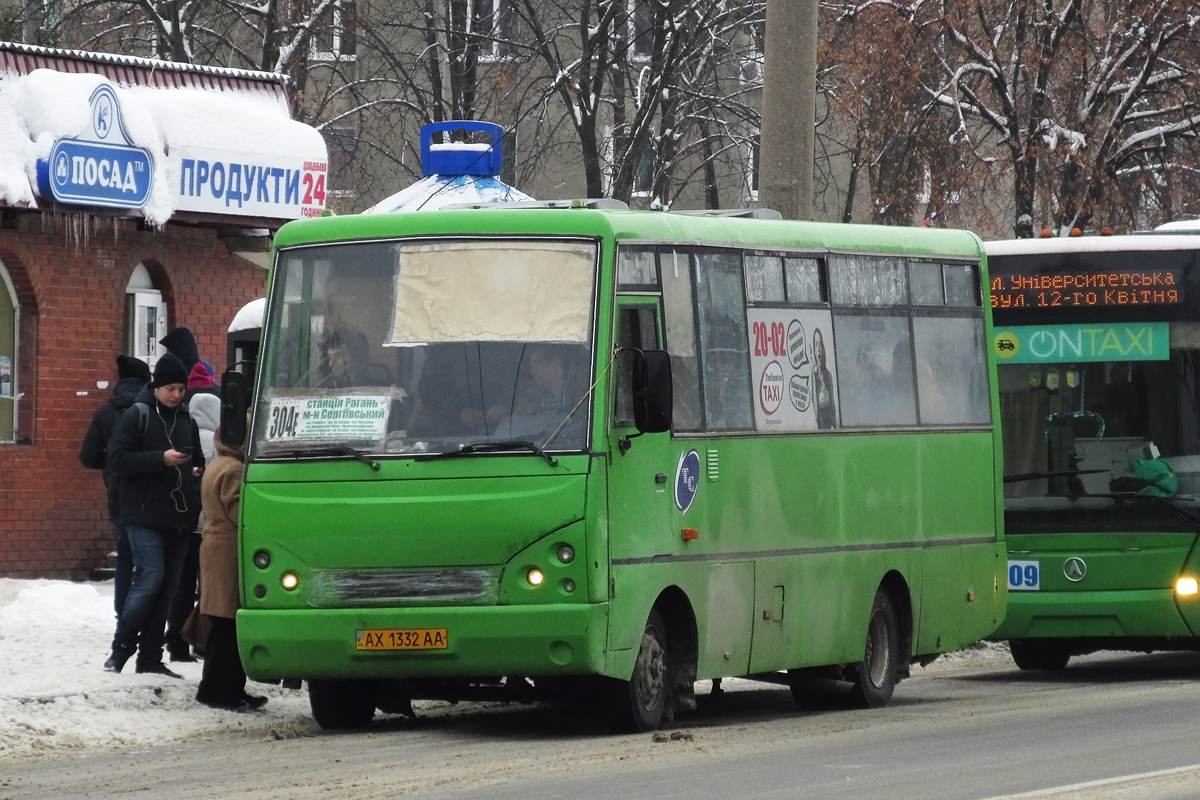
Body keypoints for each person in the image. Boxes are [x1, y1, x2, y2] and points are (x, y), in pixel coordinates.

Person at [103, 352, 204, 678]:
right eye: (170, 388)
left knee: (167, 589)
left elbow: (197, 460)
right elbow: (117, 460)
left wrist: (197, 470)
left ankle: (150, 658)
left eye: (180, 389)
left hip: (178, 518)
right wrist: (160, 459)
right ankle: (120, 651)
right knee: (149, 580)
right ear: (157, 386)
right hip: (143, 514)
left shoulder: (187, 420)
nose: (176, 394)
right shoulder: (137, 415)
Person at [195, 423, 267, 711]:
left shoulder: (218, 462)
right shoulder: (234, 469)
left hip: (214, 550)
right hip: (228, 554)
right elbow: (240, 513)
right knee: (229, 627)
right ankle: (219, 692)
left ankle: (226, 689)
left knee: (225, 627)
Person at [79, 354, 151, 618]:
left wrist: (112, 463)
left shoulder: (105, 412)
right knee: (150, 559)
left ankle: (123, 613)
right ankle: (147, 613)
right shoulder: (152, 409)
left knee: (125, 556)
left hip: (119, 494)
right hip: (150, 493)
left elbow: (88, 457)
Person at [164, 363, 220, 662]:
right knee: (209, 589)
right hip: (210, 528)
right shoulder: (220, 444)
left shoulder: (180, 436)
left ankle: (176, 643)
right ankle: (203, 640)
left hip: (183, 524)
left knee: (180, 587)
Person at [811, 328, 837, 430]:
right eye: (816, 344)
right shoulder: (813, 377)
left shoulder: (829, 375)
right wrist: (813, 372)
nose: (819, 348)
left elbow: (833, 403)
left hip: (829, 417)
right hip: (820, 418)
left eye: (820, 344)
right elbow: (814, 402)